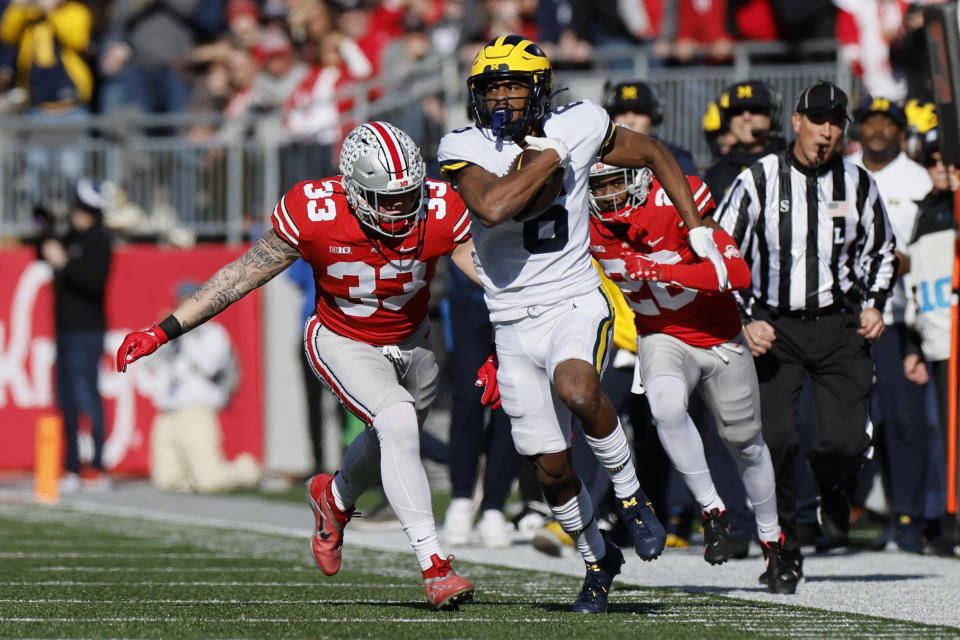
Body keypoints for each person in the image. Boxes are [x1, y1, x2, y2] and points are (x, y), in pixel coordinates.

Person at [116, 121, 477, 611]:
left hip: (414, 341)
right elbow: (240, 276)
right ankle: (435, 567)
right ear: (352, 191)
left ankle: (335, 496)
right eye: (384, 199)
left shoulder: (440, 207)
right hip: (341, 337)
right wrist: (163, 330)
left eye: (406, 195)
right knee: (395, 422)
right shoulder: (314, 211)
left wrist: (510, 346)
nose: (399, 209)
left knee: (392, 436)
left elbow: (492, 280)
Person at [437, 34, 727, 614]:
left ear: (539, 88)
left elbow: (653, 154)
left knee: (578, 388)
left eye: (514, 85)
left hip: (574, 297)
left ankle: (634, 497)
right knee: (547, 464)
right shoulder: (462, 144)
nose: (502, 98)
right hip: (510, 318)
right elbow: (493, 206)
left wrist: (695, 227)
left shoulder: (583, 120)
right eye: (492, 86)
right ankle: (598, 560)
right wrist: (554, 154)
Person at [585, 159, 796, 594]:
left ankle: (773, 540)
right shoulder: (585, 224)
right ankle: (713, 511)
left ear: (642, 179)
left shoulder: (678, 199)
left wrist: (660, 270)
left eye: (614, 183)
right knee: (664, 408)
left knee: (746, 444)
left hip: (719, 339)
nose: (606, 194)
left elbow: (735, 273)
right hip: (660, 335)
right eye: (598, 185)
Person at [714, 81, 897, 583]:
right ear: (796, 121)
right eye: (819, 120)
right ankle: (784, 548)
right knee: (774, 440)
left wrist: (875, 305)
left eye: (837, 123)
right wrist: (743, 318)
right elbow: (720, 250)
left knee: (839, 444)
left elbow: (882, 250)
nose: (828, 131)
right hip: (776, 325)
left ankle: (834, 490)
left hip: (839, 324)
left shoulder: (858, 183)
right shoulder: (759, 179)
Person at [847, 96, 932, 552]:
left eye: (887, 122)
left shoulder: (918, 180)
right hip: (842, 317)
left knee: (903, 423)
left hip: (899, 318)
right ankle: (826, 519)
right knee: (840, 423)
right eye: (870, 121)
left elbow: (928, 249)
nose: (877, 129)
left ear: (902, 132)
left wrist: (897, 261)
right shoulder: (841, 172)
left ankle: (908, 518)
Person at [903, 130, 960, 556]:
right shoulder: (925, 212)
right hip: (938, 340)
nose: (941, 167)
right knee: (941, 435)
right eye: (933, 160)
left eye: (948, 160)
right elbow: (916, 284)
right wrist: (912, 345)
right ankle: (945, 521)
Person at [147, 281, 261, 493]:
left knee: (211, 481)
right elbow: (148, 363)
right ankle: (192, 478)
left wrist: (186, 333)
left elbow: (210, 366)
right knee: (166, 482)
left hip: (197, 411)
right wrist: (161, 335)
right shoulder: (170, 335)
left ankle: (248, 469)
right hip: (167, 413)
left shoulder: (213, 333)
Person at [441, 261, 521, 549]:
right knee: (468, 399)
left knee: (510, 401)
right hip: (470, 297)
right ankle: (462, 499)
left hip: (521, 297)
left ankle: (493, 507)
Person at [40, 179, 113, 492]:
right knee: (66, 401)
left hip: (87, 332)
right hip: (66, 331)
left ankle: (97, 466)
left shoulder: (99, 240)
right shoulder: (71, 236)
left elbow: (93, 282)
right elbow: (43, 247)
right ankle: (71, 466)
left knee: (87, 397)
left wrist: (65, 264)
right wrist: (43, 225)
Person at [704, 80, 786, 201]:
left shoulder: (790, 164)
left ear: (771, 116)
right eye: (737, 111)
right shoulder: (715, 175)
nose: (746, 117)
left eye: (755, 109)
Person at [601, 80, 698, 176]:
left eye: (639, 112)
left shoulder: (675, 158)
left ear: (655, 116)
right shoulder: (598, 157)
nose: (630, 120)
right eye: (622, 112)